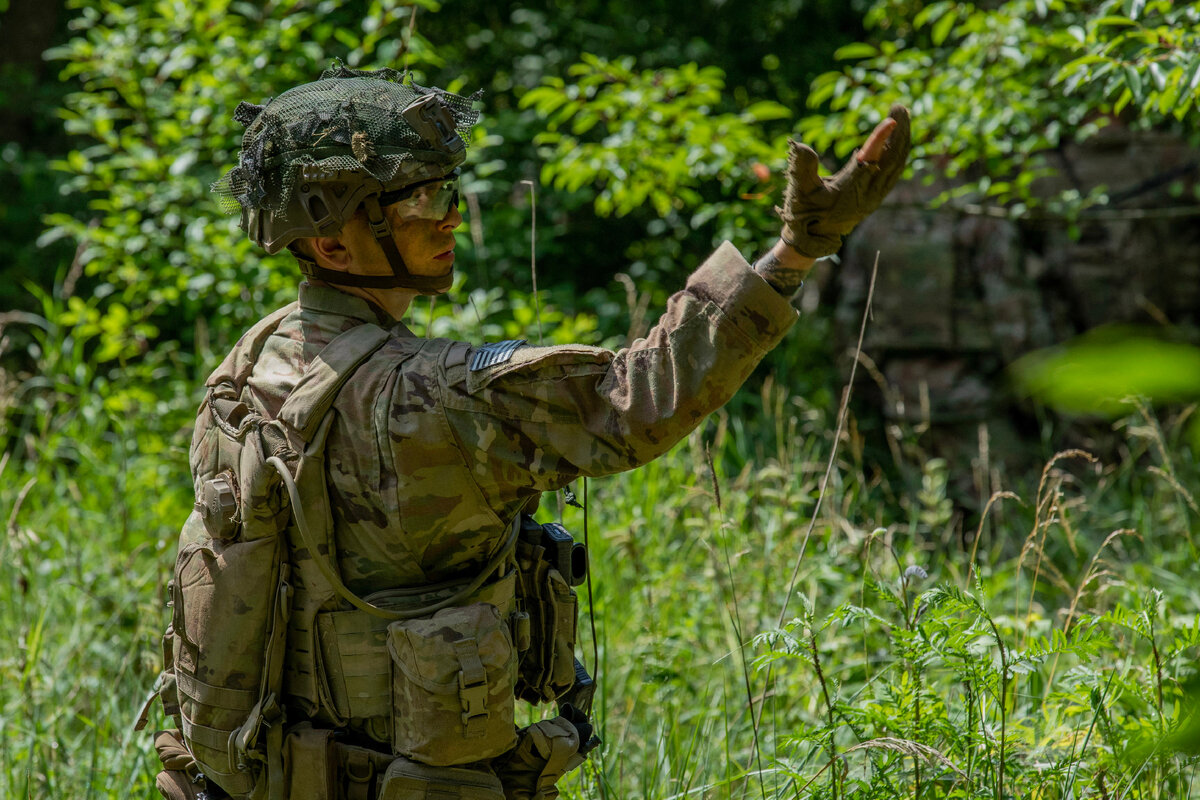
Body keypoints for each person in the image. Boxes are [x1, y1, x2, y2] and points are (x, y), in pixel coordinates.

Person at [147, 62, 909, 800]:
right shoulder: (437, 396)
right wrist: (795, 251)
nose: (447, 216)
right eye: (416, 203)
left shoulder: (246, 364)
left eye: (446, 191)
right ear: (332, 244)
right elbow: (639, 396)